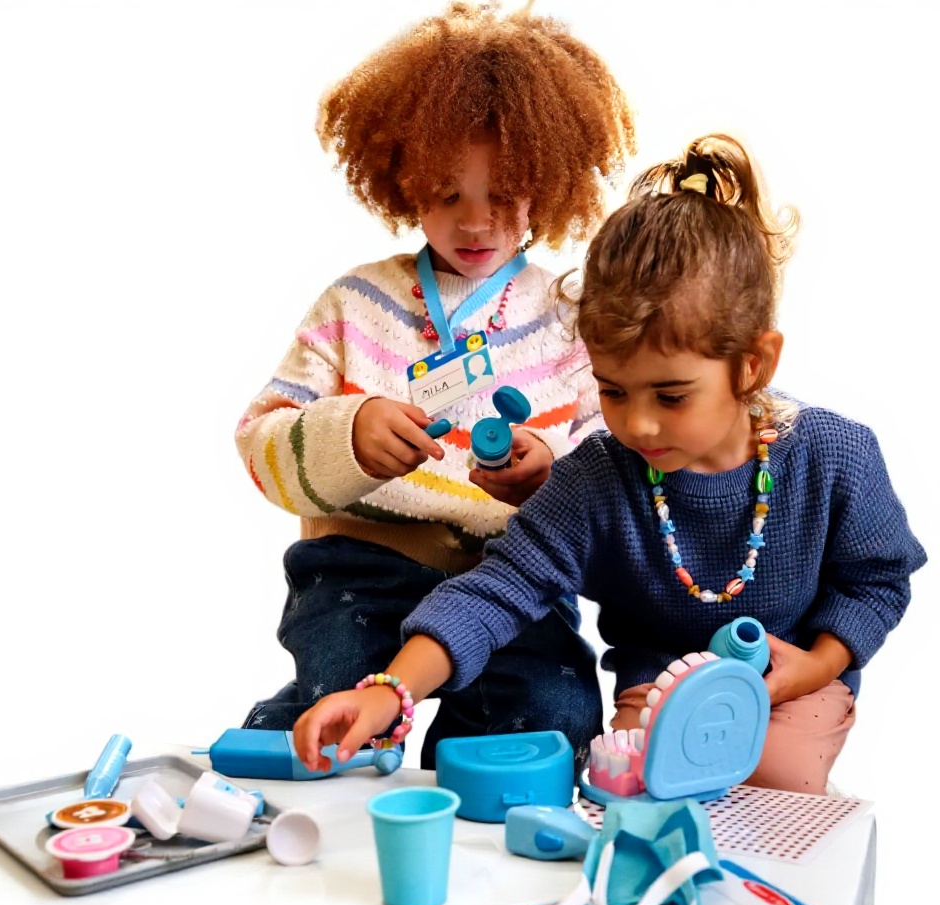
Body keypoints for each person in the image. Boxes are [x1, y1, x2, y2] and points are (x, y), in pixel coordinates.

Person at [292, 132, 927, 795]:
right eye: (614, 391)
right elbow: (498, 588)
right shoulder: (597, 478)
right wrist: (388, 693)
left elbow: (876, 580)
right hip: (658, 687)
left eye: (671, 395)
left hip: (794, 685)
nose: (639, 423)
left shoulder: (833, 457)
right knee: (633, 783)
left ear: (753, 364)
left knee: (773, 777)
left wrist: (818, 665)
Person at [234, 1, 636, 768]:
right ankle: (267, 765)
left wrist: (548, 479)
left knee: (553, 718)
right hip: (360, 569)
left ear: (548, 182)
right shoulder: (355, 303)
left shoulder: (571, 317)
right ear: (403, 178)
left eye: (504, 193)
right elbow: (261, 443)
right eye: (447, 193)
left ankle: (473, 829)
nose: (475, 221)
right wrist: (348, 435)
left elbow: (610, 471)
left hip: (513, 577)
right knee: (332, 709)